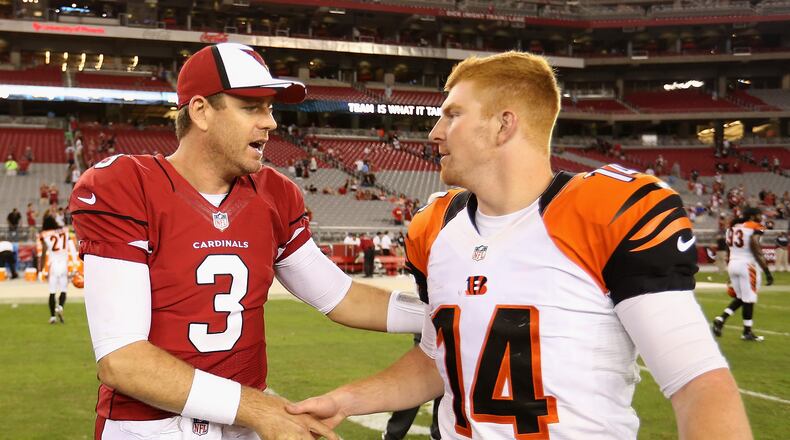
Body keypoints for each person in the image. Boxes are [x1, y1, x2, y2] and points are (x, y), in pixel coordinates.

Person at [288, 51, 751, 439]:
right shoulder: (436, 226)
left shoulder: (606, 211)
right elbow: (439, 358)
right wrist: (346, 399)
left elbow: (698, 382)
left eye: (452, 115)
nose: (434, 133)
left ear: (504, 125)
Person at [68, 43, 423, 440]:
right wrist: (258, 409)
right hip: (151, 428)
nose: (270, 122)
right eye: (251, 107)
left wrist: (445, 316)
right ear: (201, 111)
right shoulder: (127, 184)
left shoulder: (274, 193)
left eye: (270, 107)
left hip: (242, 426)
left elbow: (341, 297)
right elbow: (123, 360)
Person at [713, 207, 774, 341]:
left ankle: (721, 319)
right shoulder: (757, 226)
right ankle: (747, 332)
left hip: (733, 263)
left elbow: (729, 248)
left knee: (741, 298)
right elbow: (755, 247)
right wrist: (767, 271)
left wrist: (731, 266)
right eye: (759, 215)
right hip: (747, 265)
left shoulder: (732, 227)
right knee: (749, 299)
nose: (761, 217)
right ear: (752, 216)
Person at [37, 215, 77, 324]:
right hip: (64, 264)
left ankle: (52, 317)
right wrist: (75, 262)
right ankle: (60, 306)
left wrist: (40, 270)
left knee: (52, 291)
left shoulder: (45, 235)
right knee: (64, 289)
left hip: (53, 265)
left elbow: (43, 253)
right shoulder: (64, 231)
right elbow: (72, 247)